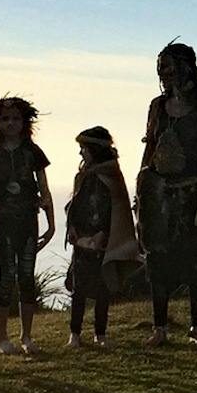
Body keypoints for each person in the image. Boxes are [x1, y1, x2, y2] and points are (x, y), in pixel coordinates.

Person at [136, 41, 197, 346]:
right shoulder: (157, 106)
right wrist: (142, 189)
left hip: (195, 193)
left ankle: (196, 327)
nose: (164, 73)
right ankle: (159, 328)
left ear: (187, 67)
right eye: (162, 67)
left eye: (170, 66)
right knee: (158, 259)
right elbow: (150, 148)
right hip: (160, 194)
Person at [0, 96, 55, 354]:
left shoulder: (32, 152)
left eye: (16, 119)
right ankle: (1, 337)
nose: (11, 123)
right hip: (1, 222)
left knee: (27, 276)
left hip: (28, 221)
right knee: (6, 276)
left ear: (24, 121)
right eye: (5, 119)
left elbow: (45, 189)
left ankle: (27, 336)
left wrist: (51, 225)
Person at [63, 126, 141, 348]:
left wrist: (103, 234)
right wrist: (73, 228)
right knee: (79, 290)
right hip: (82, 239)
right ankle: (74, 334)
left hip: (103, 241)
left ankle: (100, 334)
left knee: (102, 289)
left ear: (94, 149)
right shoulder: (84, 176)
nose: (81, 154)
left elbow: (117, 209)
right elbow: (75, 205)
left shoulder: (111, 175)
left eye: (84, 149)